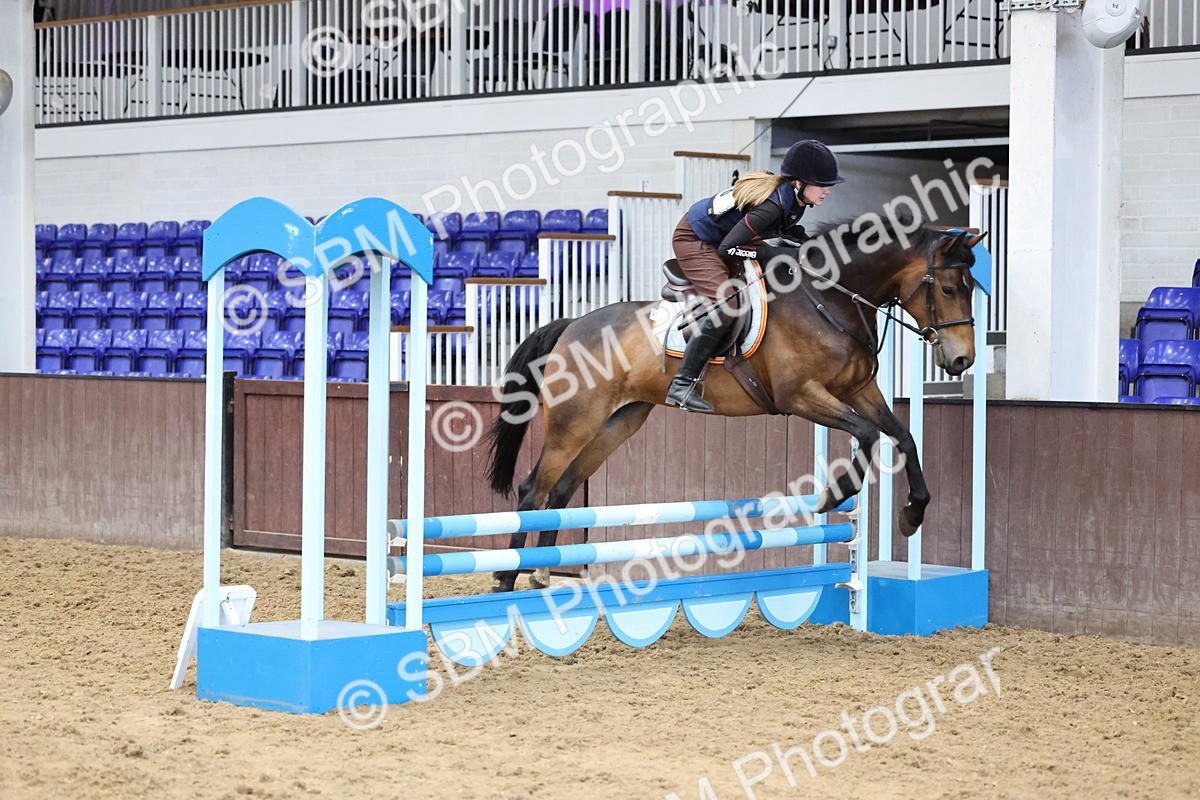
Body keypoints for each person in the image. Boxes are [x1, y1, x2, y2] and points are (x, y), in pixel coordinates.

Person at [664, 138, 845, 413]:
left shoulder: (793, 200)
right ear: (799, 182)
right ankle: (682, 383)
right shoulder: (771, 206)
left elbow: (772, 231)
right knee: (728, 304)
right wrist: (779, 254)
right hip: (697, 240)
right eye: (822, 184)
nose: (828, 191)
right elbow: (729, 248)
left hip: (726, 236)